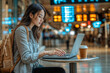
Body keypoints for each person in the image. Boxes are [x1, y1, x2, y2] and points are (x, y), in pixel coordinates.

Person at [13, 3, 66, 73]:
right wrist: (45, 52)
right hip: (24, 70)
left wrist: (52, 52)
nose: (42, 20)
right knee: (59, 71)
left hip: (32, 67)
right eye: (40, 16)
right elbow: (25, 58)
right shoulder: (21, 30)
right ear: (31, 15)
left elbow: (34, 55)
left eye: (43, 18)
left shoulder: (32, 32)